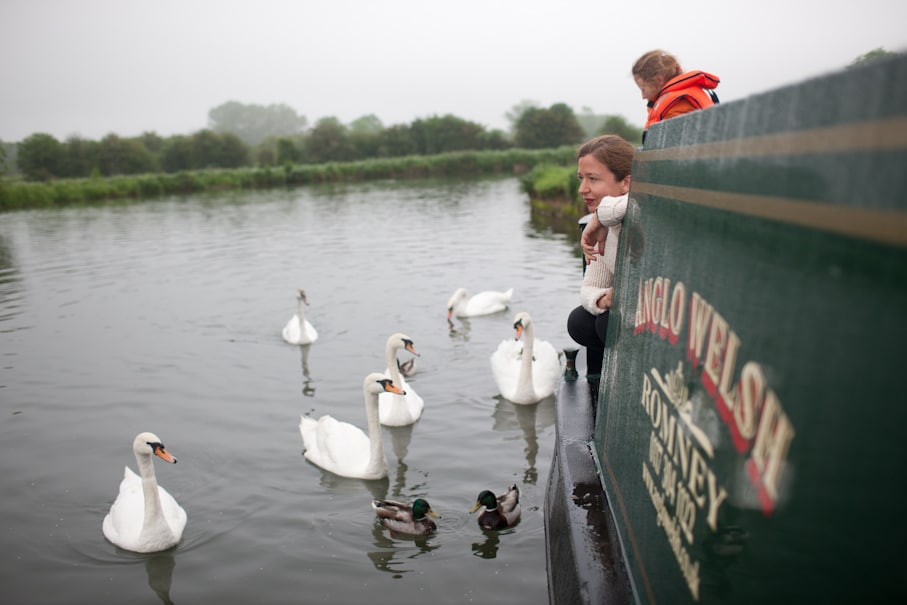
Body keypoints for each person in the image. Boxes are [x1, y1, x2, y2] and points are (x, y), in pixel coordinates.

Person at [566, 134, 635, 392]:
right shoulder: (607, 230)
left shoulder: (646, 206)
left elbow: (636, 200)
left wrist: (598, 220)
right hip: (633, 309)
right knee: (581, 321)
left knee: (609, 324)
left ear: (626, 182)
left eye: (592, 179)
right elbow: (588, 290)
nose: (582, 189)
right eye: (581, 178)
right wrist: (603, 299)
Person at [632, 49, 719, 136]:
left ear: (659, 80)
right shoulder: (675, 98)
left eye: (643, 89)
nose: (643, 96)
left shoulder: (678, 104)